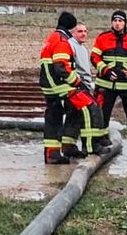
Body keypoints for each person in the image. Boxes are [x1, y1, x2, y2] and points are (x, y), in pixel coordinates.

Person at [91, 10, 127, 155]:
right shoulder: (103, 38)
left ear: (125, 23)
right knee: (102, 114)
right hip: (106, 84)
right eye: (115, 21)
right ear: (112, 22)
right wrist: (106, 71)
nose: (117, 23)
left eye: (120, 21)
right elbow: (94, 57)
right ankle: (101, 140)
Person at [39, 11, 90, 164]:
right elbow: (61, 66)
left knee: (56, 116)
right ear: (70, 27)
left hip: (49, 83)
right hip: (57, 85)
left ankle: (57, 150)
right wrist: (76, 83)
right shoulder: (61, 40)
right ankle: (56, 153)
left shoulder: (53, 37)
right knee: (79, 109)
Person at [68, 22, 108, 157]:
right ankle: (90, 146)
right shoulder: (71, 46)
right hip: (77, 86)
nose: (83, 34)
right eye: (79, 31)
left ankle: (69, 145)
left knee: (75, 116)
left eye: (85, 31)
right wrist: (79, 83)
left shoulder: (83, 48)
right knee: (91, 112)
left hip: (85, 85)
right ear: (73, 33)